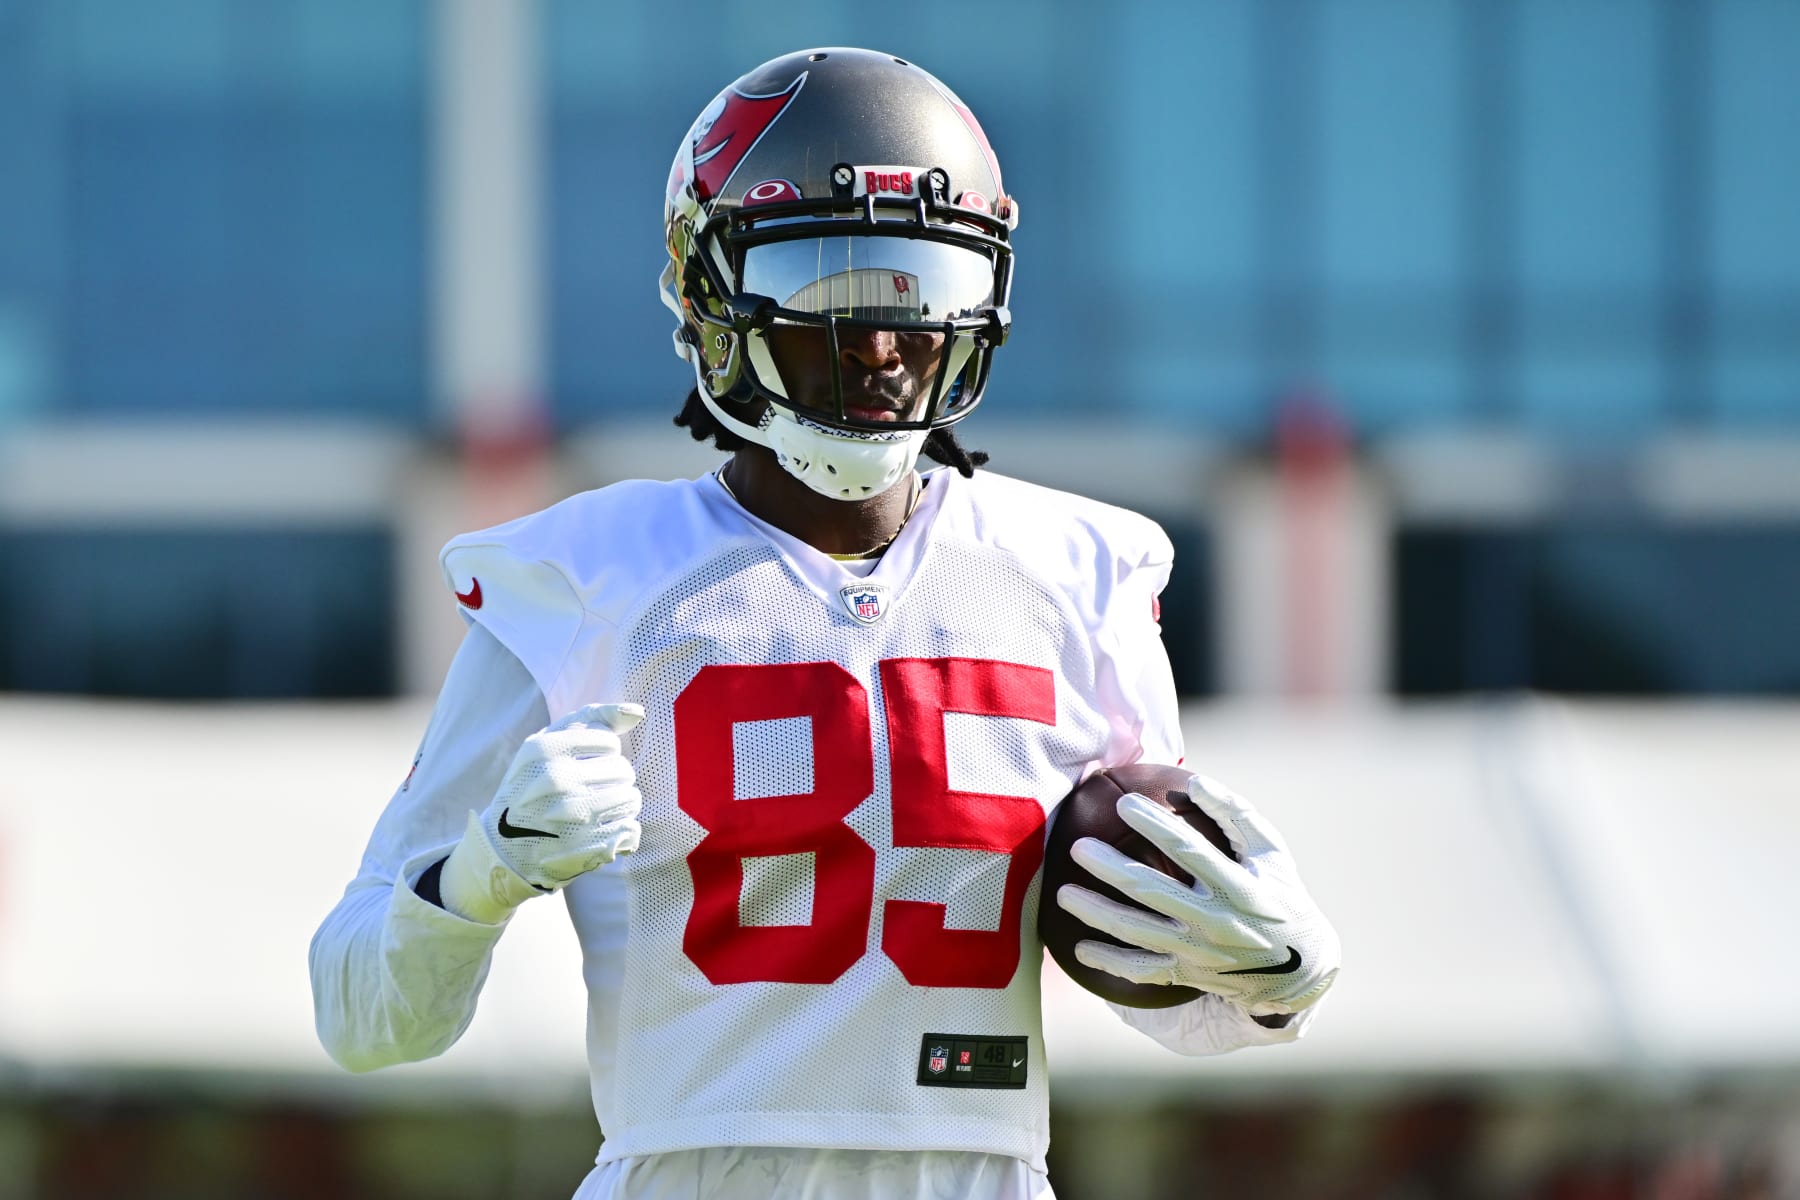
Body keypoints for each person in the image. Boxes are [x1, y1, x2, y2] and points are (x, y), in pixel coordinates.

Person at [310, 46, 1341, 1200]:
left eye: (921, 283)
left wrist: (1276, 970)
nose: (886, 337)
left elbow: (1169, 980)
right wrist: (486, 871)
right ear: (709, 295)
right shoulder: (582, 581)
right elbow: (363, 1016)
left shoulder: (1078, 571)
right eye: (825, 281)